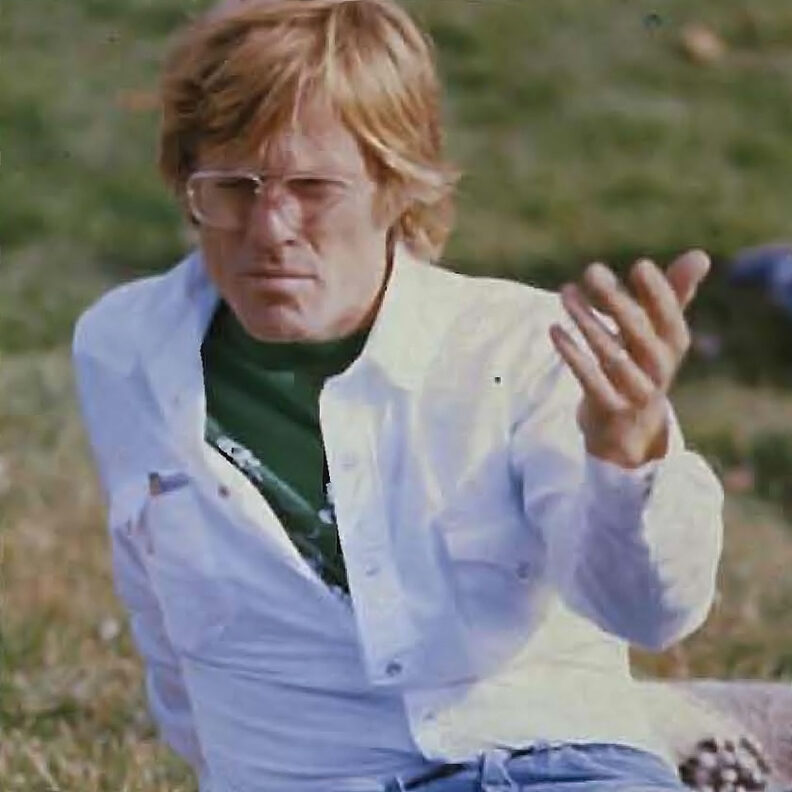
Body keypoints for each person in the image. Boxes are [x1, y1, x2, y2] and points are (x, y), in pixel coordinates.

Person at [71, 1, 724, 790]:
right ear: (186, 186)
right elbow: (164, 629)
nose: (272, 229)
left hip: (558, 763)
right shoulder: (124, 351)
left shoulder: (525, 345)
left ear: (395, 187)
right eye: (233, 187)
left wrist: (630, 459)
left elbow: (650, 618)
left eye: (313, 187)